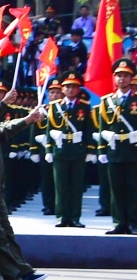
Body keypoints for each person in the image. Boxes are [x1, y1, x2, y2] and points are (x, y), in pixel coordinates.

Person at [99, 58, 137, 235]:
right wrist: (101, 149)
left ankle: (133, 222)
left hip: (133, 150)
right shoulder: (107, 101)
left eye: (126, 76)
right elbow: (102, 128)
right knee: (116, 188)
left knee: (133, 188)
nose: (122, 79)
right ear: (114, 78)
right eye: (119, 75)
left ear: (131, 78)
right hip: (114, 150)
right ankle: (119, 222)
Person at [49, 73, 92, 228]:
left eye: (74, 86)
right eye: (67, 86)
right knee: (61, 186)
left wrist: (90, 150)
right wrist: (48, 149)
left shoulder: (84, 106)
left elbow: (88, 129)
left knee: (76, 186)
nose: (70, 89)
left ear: (78, 89)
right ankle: (62, 216)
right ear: (62, 89)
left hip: (77, 150)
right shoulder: (55, 106)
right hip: (60, 150)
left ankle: (75, 217)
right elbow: (49, 129)